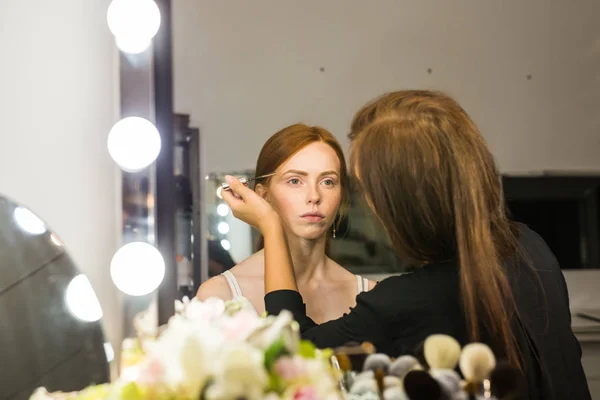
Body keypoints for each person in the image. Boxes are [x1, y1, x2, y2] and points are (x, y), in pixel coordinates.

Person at [222, 91, 590, 399]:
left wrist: (271, 227)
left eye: (332, 182)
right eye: (295, 181)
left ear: (404, 203)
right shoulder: (529, 244)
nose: (315, 197)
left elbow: (296, 351)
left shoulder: (401, 299)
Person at [197, 124, 375, 322]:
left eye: (327, 182)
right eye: (295, 181)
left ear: (341, 195)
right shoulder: (219, 296)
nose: (314, 196)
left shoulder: (368, 295)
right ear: (262, 195)